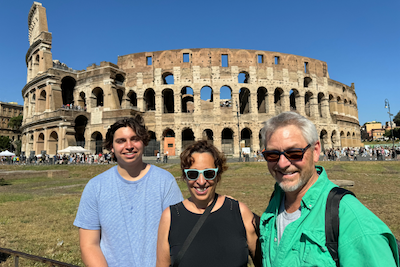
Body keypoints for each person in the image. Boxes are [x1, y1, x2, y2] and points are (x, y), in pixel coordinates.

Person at [259, 111, 399, 267]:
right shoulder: (275, 204)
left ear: (316, 150)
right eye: (272, 155)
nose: (282, 163)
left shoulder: (354, 223)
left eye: (294, 153)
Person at [74, 115, 183, 267]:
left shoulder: (165, 181)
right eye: (121, 141)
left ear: (144, 142)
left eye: (135, 139)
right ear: (111, 147)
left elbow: (177, 236)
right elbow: (89, 245)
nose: (129, 145)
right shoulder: (95, 186)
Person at [156, 140, 261, 267]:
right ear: (185, 176)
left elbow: (263, 262)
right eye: (193, 174)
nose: (201, 181)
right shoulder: (170, 217)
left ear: (218, 174)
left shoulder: (239, 212)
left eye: (209, 173)